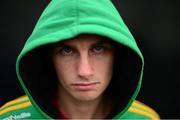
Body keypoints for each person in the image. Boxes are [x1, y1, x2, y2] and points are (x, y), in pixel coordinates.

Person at [0, 0, 160, 119]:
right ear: (48, 58)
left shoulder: (145, 118)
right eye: (67, 51)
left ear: (118, 56)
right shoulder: (9, 117)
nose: (84, 71)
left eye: (98, 49)